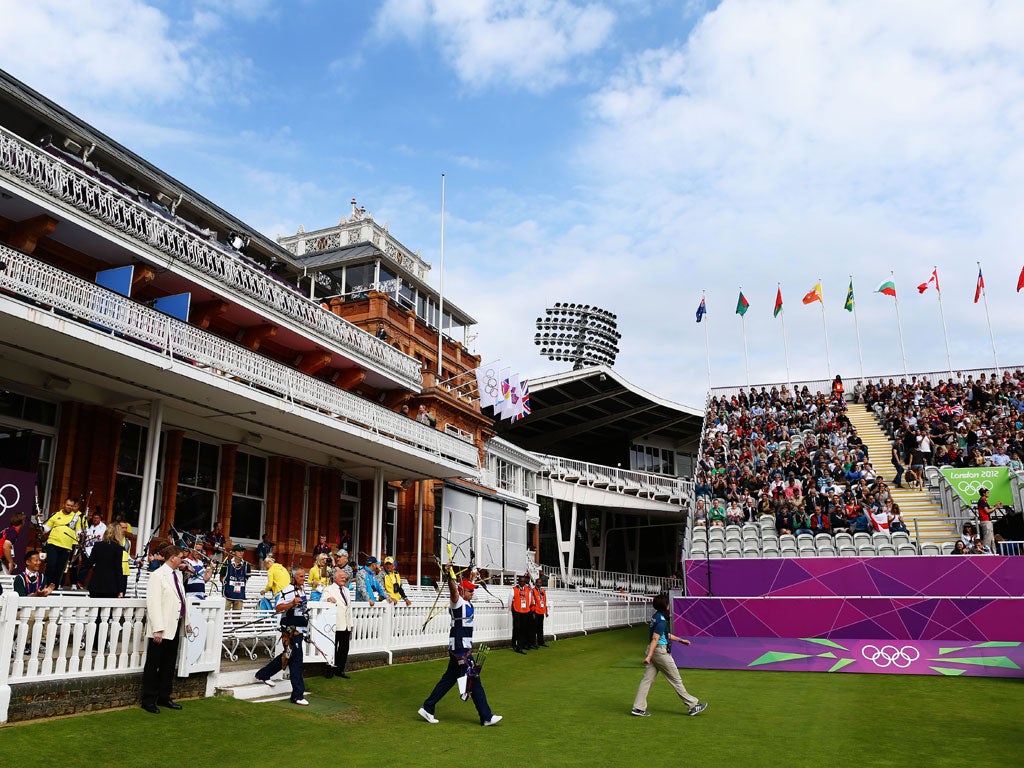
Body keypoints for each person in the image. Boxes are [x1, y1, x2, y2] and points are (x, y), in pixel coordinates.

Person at [418, 565, 502, 727]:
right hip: (459, 649)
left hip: (461, 647)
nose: (473, 593)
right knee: (474, 679)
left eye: (473, 590)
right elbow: (454, 591)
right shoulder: (457, 603)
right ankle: (486, 716)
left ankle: (428, 707)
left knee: (449, 679)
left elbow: (464, 588)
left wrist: (472, 577)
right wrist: (450, 577)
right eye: (470, 591)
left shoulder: (466, 602)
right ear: (462, 592)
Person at [631, 593, 707, 718]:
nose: (669, 606)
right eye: (668, 603)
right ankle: (692, 705)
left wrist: (681, 640)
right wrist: (649, 656)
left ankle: (638, 708)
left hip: (655, 651)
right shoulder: (661, 621)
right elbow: (655, 639)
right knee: (676, 679)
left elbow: (664, 635)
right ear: (665, 605)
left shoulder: (656, 617)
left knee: (647, 680)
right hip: (659, 653)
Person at [141, 545, 190, 714]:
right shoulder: (157, 576)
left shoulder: (177, 575)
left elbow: (181, 600)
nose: (182, 560)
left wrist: (187, 620)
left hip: (175, 625)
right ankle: (148, 700)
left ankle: (164, 697)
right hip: (161, 627)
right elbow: (153, 603)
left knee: (169, 664)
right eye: (180, 557)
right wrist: (158, 628)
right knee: (153, 664)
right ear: (172, 558)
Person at [254, 568, 310, 706]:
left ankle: (263, 674)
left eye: (304, 576)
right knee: (296, 660)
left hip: (300, 629)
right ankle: (297, 695)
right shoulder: (288, 590)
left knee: (289, 655)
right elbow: (278, 607)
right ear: (294, 577)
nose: (304, 578)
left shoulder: (302, 590)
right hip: (290, 631)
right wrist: (291, 603)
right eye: (301, 576)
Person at [42, 496, 85, 588]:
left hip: (67, 546)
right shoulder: (56, 514)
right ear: (64, 505)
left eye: (71, 506)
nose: (69, 507)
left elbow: (78, 530)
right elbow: (46, 529)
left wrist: (80, 533)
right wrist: (40, 523)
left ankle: (55, 587)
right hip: (53, 543)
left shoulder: (76, 517)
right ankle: (46, 585)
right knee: (51, 565)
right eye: (68, 505)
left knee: (60, 568)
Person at [321, 566, 354, 679]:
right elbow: (322, 601)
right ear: (335, 578)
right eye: (342, 577)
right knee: (332, 648)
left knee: (344, 648)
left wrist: (351, 623)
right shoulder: (329, 589)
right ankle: (330, 670)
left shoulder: (347, 591)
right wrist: (328, 599)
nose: (344, 579)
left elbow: (349, 609)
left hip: (345, 624)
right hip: (334, 624)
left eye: (345, 578)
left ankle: (340, 670)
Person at [219, 545, 251, 610]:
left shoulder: (247, 565)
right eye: (239, 551)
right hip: (227, 594)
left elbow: (246, 578)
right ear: (233, 552)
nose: (241, 553)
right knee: (224, 616)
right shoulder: (227, 563)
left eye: (242, 551)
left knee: (236, 618)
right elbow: (221, 578)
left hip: (239, 595)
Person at [511, 573, 534, 654]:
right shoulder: (514, 589)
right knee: (517, 628)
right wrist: (511, 610)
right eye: (520, 581)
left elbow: (530, 600)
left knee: (523, 629)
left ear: (525, 582)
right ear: (518, 582)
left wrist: (530, 609)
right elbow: (510, 600)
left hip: (526, 611)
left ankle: (519, 646)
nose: (522, 583)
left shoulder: (528, 590)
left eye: (523, 581)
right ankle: (514, 643)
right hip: (516, 611)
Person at [976, 488, 999, 552]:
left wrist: (995, 507)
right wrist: (995, 507)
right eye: (987, 492)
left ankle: (993, 553)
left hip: (987, 521)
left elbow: (989, 511)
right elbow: (987, 511)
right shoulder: (982, 500)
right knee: (987, 539)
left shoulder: (984, 501)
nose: (989, 494)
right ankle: (985, 552)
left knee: (992, 539)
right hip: (985, 521)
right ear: (984, 493)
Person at [532, 575, 549, 648]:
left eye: (540, 583)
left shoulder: (543, 591)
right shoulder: (533, 591)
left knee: (540, 628)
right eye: (538, 582)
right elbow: (532, 602)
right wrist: (533, 612)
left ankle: (541, 642)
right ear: (535, 583)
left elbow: (544, 601)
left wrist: (546, 611)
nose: (539, 584)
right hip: (536, 612)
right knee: (534, 629)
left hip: (541, 611)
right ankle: (534, 643)